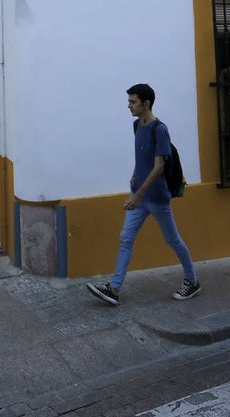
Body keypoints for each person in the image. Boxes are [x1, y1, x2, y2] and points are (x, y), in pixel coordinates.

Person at [86, 83, 200, 306]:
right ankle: (114, 289)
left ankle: (192, 280)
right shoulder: (137, 125)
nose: (129, 105)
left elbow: (158, 167)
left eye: (133, 102)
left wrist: (137, 196)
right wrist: (134, 175)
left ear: (146, 103)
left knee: (173, 240)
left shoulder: (160, 130)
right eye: (129, 101)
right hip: (138, 195)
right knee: (126, 238)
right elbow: (142, 157)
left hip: (156, 198)